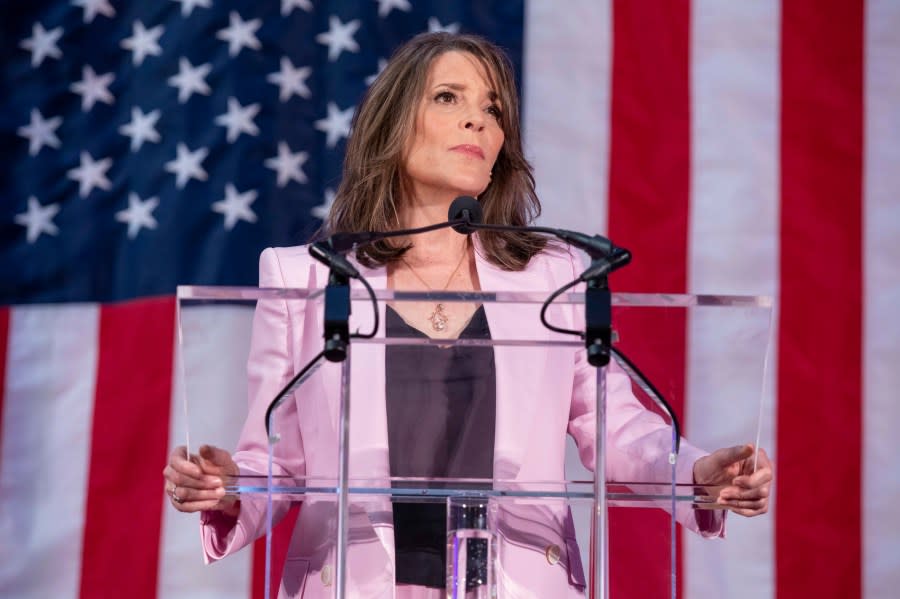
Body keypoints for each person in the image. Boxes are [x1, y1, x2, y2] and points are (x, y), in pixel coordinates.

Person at [163, 32, 773, 598]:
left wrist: (694, 473)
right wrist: (228, 485)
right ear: (393, 125)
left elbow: (616, 426)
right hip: (354, 579)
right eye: (448, 97)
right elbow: (279, 454)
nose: (478, 117)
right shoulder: (309, 276)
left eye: (494, 108)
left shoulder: (554, 275)